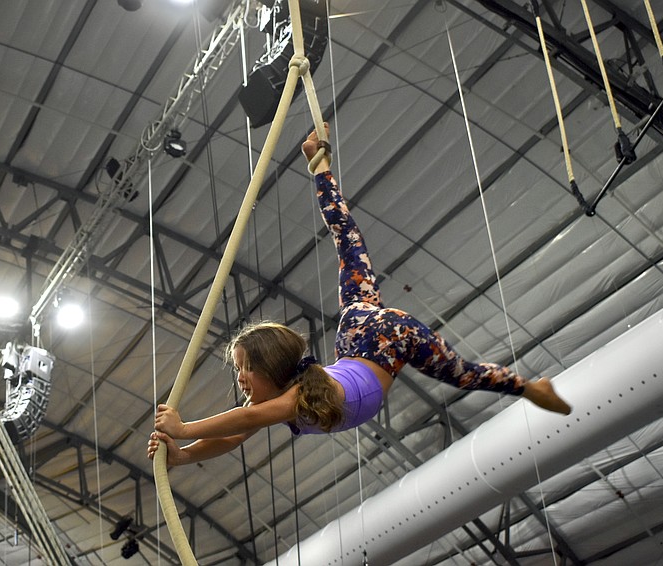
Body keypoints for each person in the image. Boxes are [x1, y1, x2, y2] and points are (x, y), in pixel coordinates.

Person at [148, 124, 571, 468]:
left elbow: (245, 419)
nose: (239, 379)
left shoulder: (292, 400)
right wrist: (182, 456)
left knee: (460, 373)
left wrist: (185, 430)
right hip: (356, 331)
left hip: (390, 338)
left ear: (275, 369)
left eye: (244, 369)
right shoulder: (287, 396)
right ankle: (321, 170)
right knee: (346, 242)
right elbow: (235, 434)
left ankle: (528, 387)